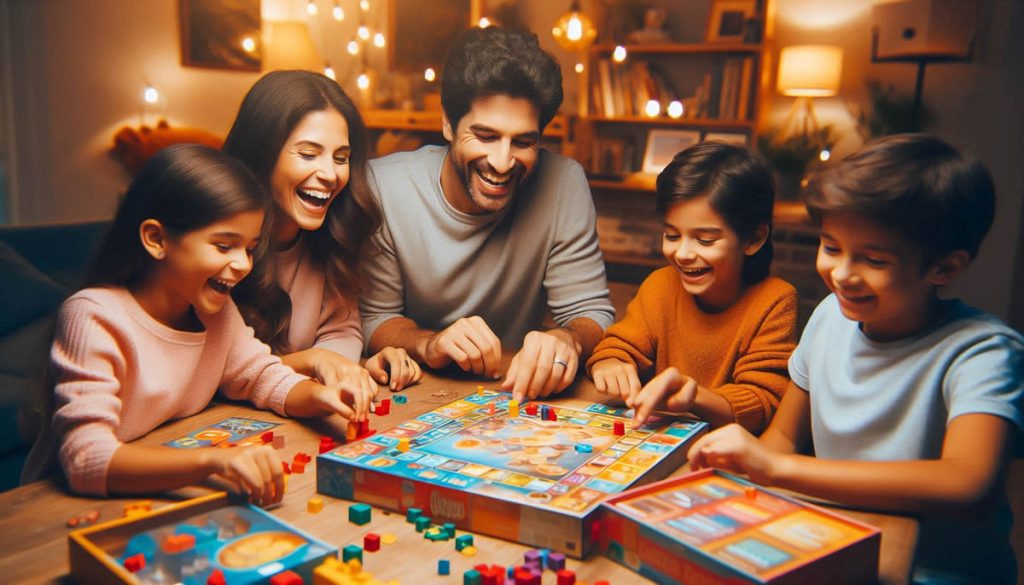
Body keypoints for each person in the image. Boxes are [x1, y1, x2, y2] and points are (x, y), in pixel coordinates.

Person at [687, 134, 1023, 584]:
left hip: (938, 573)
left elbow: (968, 484)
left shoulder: (983, 351)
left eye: (874, 260)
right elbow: (783, 436)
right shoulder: (830, 315)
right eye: (831, 247)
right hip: (836, 545)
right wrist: (742, 466)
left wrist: (778, 469)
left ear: (944, 267)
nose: (842, 274)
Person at [21, 145, 374, 503]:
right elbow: (85, 459)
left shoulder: (215, 311)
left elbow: (262, 376)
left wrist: (319, 396)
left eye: (250, 249)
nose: (243, 265)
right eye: (223, 246)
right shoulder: (93, 316)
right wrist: (212, 461)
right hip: (61, 509)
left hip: (156, 489)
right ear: (156, 239)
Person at [359, 27, 614, 402]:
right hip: (413, 389)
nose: (503, 161)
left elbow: (591, 312)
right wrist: (430, 343)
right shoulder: (383, 187)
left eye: (523, 142)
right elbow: (376, 317)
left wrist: (569, 339)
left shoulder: (563, 183)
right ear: (448, 123)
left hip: (513, 392)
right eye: (486, 136)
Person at [223, 71, 421, 394]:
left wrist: (344, 368)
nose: (330, 174)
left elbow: (341, 332)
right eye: (308, 154)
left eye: (341, 158)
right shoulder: (213, 244)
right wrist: (313, 361)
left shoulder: (332, 235)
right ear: (262, 153)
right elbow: (215, 368)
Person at [586, 143, 798, 433]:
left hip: (729, 450)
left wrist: (693, 396)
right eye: (672, 235)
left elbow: (762, 402)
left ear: (753, 239)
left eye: (705, 240)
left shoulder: (775, 301)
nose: (683, 253)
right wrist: (610, 362)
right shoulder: (661, 285)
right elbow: (620, 345)